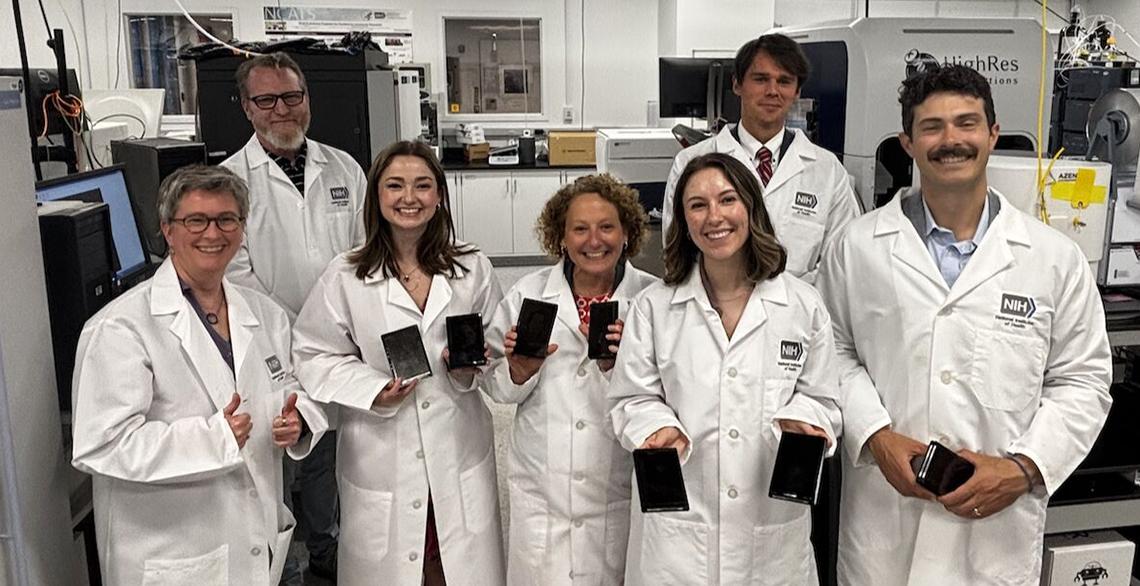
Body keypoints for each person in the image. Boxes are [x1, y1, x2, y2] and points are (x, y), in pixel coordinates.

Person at [817, 65, 1112, 585]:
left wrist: (1025, 469)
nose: (950, 140)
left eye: (966, 123)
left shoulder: (1052, 259)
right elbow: (832, 351)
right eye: (932, 127)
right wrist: (877, 437)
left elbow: (1083, 381)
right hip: (885, 529)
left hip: (993, 535)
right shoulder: (855, 247)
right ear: (907, 141)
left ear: (993, 134)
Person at [71, 165, 329, 585]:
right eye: (196, 220)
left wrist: (300, 422)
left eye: (227, 219)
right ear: (168, 231)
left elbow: (293, 388)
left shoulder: (264, 314)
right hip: (176, 553)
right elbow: (101, 444)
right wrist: (215, 439)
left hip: (256, 539)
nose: (213, 233)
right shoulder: (121, 327)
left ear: (242, 229)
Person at [608, 152, 841, 585]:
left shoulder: (802, 306)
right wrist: (656, 427)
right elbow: (631, 397)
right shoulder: (655, 307)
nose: (714, 216)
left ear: (751, 207)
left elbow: (823, 399)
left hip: (769, 530)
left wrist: (806, 422)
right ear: (683, 219)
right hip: (680, 531)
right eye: (697, 205)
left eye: (727, 199)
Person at [291, 141, 506, 585]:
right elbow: (312, 353)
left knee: (455, 563)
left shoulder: (472, 267)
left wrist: (471, 369)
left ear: (440, 196)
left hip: (457, 442)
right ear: (377, 197)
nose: (410, 198)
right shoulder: (346, 274)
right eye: (395, 186)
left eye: (422, 185)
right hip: (381, 450)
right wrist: (370, 388)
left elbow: (497, 348)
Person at [220, 51, 364, 580]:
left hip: (337, 345)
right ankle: (281, 566)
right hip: (269, 352)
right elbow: (235, 273)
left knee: (329, 460)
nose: (282, 109)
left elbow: (362, 255)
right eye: (267, 99)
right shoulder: (231, 180)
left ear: (307, 99)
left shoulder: (344, 167)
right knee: (274, 464)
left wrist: (335, 328)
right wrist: (298, 332)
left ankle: (329, 557)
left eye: (292, 96)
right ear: (246, 107)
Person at [484, 174, 658, 585]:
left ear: (628, 232)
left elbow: (670, 395)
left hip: (615, 488)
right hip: (543, 494)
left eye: (606, 226)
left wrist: (621, 370)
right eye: (579, 228)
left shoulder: (654, 300)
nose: (593, 240)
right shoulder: (528, 295)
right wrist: (518, 372)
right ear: (560, 236)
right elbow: (492, 382)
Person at [661, 33, 860, 283]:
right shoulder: (691, 162)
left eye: (784, 81)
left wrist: (793, 304)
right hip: (713, 313)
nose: (772, 91)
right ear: (737, 84)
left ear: (797, 92)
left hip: (798, 315)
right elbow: (677, 253)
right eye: (761, 79)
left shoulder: (827, 170)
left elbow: (841, 260)